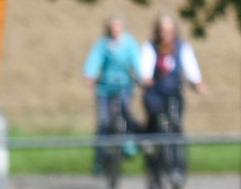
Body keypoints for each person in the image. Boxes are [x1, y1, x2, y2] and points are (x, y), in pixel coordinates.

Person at [138, 13, 206, 178]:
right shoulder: (150, 47)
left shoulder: (182, 47)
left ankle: (176, 166)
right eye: (162, 31)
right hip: (155, 93)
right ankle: (150, 144)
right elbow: (144, 67)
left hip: (174, 94)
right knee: (154, 117)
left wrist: (197, 82)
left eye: (169, 31)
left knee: (175, 127)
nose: (166, 34)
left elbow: (190, 68)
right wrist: (145, 77)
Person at [82, 15, 142, 173]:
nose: (115, 31)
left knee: (124, 115)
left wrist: (141, 76)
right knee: (103, 122)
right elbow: (94, 60)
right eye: (113, 28)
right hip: (105, 88)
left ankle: (128, 144)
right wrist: (90, 74)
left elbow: (137, 61)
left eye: (118, 28)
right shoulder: (103, 44)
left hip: (124, 86)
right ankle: (100, 158)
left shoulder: (129, 44)